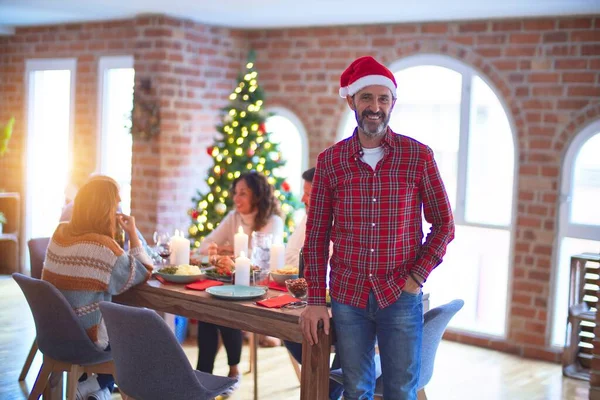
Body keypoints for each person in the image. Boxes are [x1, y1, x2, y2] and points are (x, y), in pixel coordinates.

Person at [300, 56, 455, 400]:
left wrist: (416, 278)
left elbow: (444, 224)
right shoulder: (330, 161)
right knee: (356, 390)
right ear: (351, 100)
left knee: (401, 390)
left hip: (400, 294)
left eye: (383, 99)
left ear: (392, 103)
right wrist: (314, 300)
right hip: (347, 296)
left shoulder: (418, 157)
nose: (375, 107)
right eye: (367, 98)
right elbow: (316, 237)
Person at [42, 176, 153, 400]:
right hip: (85, 340)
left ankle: (94, 387)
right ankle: (97, 384)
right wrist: (132, 233)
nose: (119, 210)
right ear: (107, 209)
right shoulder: (103, 250)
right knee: (144, 333)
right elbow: (144, 269)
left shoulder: (59, 233)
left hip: (52, 333)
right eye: (117, 204)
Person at [196, 171, 284, 397]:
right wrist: (226, 252)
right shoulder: (234, 217)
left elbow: (259, 258)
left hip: (262, 286)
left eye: (243, 193)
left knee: (227, 306)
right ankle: (204, 373)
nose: (237, 198)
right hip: (233, 281)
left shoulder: (273, 221)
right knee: (208, 308)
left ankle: (232, 372)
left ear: (257, 195)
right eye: (236, 193)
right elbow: (206, 246)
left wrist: (229, 251)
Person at [283, 167, 344, 400]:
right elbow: (292, 258)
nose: (302, 199)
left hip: (347, 305)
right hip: (316, 298)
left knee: (348, 341)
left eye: (308, 193)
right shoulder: (310, 218)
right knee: (291, 327)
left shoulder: (345, 220)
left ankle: (325, 393)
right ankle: (324, 392)